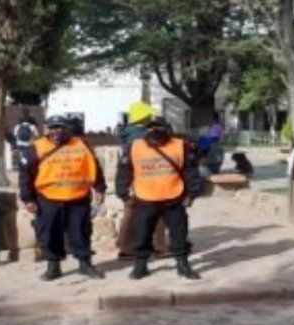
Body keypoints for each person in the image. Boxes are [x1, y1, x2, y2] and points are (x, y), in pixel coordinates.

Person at [18, 115, 106, 281]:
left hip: (78, 196)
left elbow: (94, 166)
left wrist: (100, 187)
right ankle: (53, 266)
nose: (56, 131)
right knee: (49, 232)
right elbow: (25, 175)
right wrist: (28, 198)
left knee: (81, 232)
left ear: (66, 128)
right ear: (46, 129)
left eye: (59, 127)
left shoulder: (81, 144)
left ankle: (85, 264)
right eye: (52, 127)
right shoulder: (36, 147)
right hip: (48, 197)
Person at [117, 116, 203, 280]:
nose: (155, 130)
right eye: (151, 127)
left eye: (159, 127)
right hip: (145, 198)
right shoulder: (135, 146)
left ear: (167, 129)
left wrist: (192, 194)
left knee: (179, 233)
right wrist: (124, 194)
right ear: (145, 131)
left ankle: (182, 264)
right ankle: (140, 266)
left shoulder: (180, 145)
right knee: (142, 233)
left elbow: (191, 171)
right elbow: (123, 171)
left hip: (174, 198)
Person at [117, 101, 168, 259]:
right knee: (157, 211)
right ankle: (159, 247)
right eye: (148, 114)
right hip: (147, 177)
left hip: (133, 178)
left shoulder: (128, 133)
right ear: (143, 117)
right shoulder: (140, 135)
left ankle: (125, 247)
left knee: (131, 213)